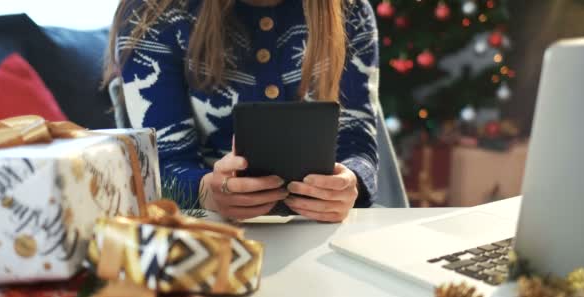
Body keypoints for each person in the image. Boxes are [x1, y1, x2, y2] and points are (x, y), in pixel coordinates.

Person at [104, 0, 380, 222]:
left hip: (322, 232)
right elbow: (154, 166)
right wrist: (206, 192)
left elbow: (357, 141)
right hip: (203, 232)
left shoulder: (350, 10)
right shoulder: (152, 12)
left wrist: (350, 183)